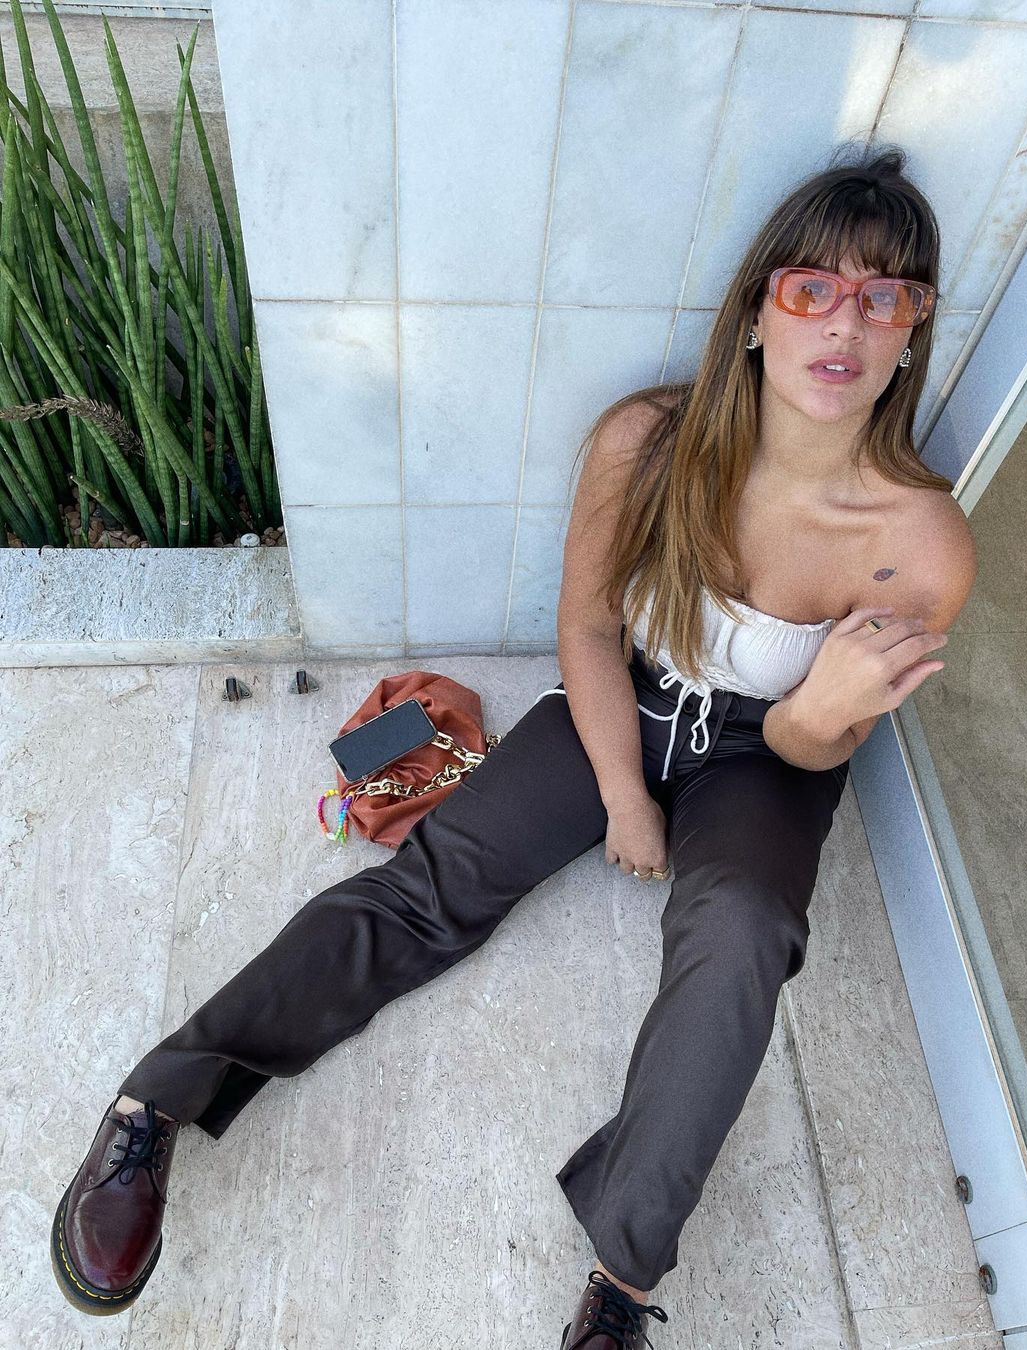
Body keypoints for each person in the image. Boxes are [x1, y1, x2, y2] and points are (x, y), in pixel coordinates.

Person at [50, 142, 976, 1348]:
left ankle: (622, 1281)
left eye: (886, 297)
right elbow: (588, 626)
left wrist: (815, 712)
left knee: (744, 933)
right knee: (432, 885)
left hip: (769, 755)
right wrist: (623, 796)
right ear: (758, 311)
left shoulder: (922, 543)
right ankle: (156, 1104)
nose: (846, 322)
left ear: (914, 329)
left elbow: (814, 753)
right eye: (814, 288)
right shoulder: (649, 440)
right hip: (628, 693)